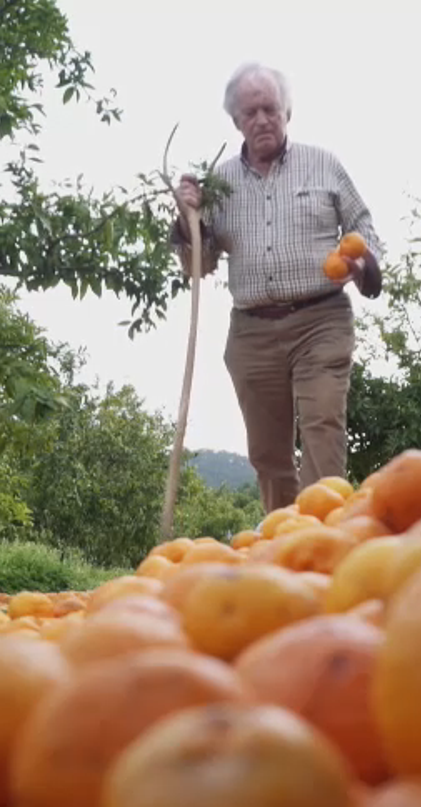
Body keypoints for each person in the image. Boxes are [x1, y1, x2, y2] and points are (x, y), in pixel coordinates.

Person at [171, 61, 385, 515]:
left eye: (270, 108)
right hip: (252, 331)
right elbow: (201, 264)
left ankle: (326, 539)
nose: (262, 119)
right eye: (250, 112)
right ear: (236, 122)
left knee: (323, 429)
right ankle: (284, 552)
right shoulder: (220, 185)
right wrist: (188, 220)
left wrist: (365, 264)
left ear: (288, 111)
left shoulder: (324, 164)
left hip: (320, 320)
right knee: (268, 455)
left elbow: (363, 225)